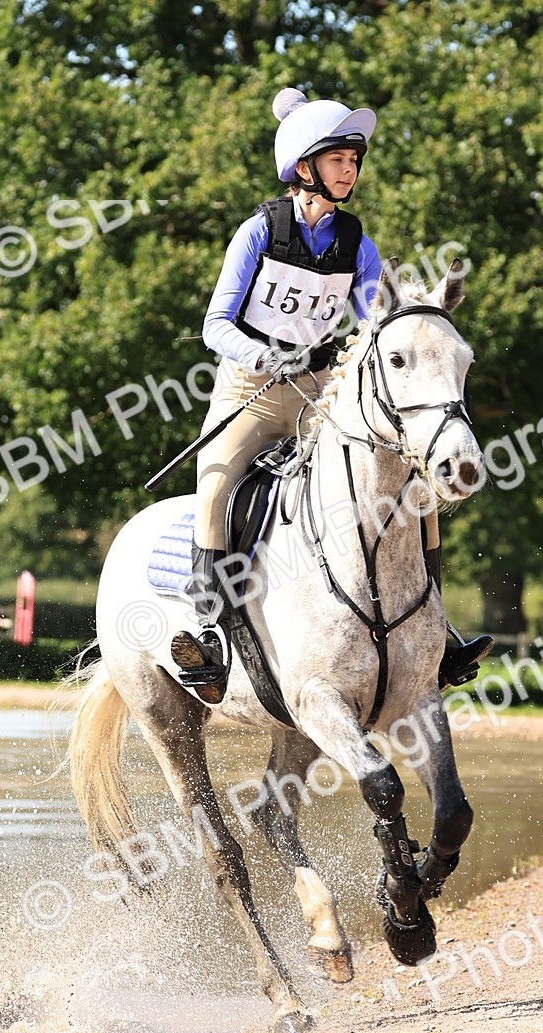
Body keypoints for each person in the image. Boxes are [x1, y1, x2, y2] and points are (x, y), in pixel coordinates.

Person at [170, 88, 491, 704]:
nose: (350, 170)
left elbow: (378, 316)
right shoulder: (258, 232)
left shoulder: (355, 241)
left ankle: (436, 633)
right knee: (213, 488)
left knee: (411, 488)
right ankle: (209, 636)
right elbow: (215, 324)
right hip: (252, 391)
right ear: (303, 167)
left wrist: (420, 313)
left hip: (322, 391)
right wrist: (263, 354)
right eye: (339, 159)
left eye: (354, 160)